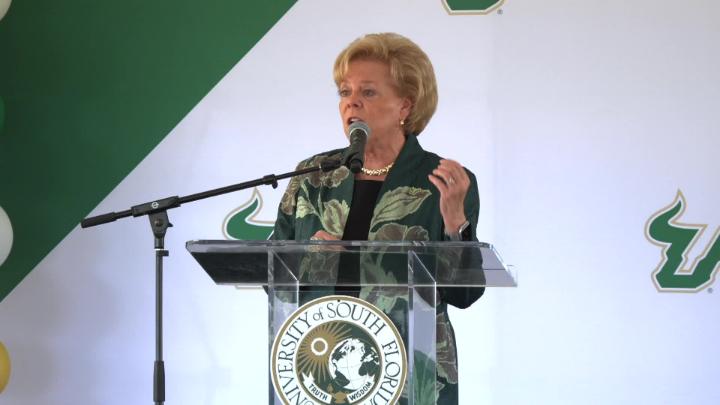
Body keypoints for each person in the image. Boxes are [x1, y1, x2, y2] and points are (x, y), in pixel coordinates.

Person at [272, 32, 482, 405]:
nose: (351, 101)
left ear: (405, 106)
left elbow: (464, 295)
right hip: (318, 369)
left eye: (368, 92)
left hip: (409, 374)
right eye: (344, 92)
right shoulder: (313, 177)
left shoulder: (442, 181)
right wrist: (308, 257)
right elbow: (272, 276)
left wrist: (455, 225)